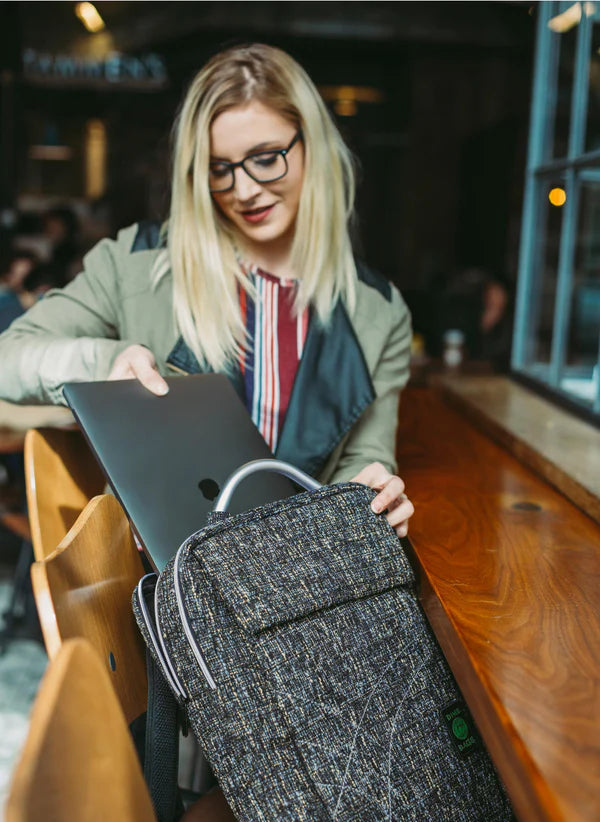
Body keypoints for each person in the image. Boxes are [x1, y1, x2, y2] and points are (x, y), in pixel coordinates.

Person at [0, 43, 414, 537]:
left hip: (299, 562)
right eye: (219, 168)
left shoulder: (380, 312)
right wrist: (103, 363)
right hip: (167, 568)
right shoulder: (135, 263)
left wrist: (373, 496)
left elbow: (367, 457)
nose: (244, 190)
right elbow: (9, 356)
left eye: (266, 158)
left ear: (314, 146)